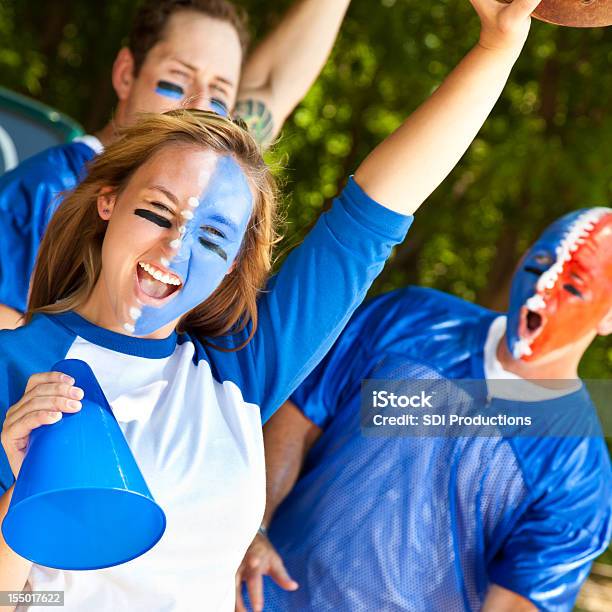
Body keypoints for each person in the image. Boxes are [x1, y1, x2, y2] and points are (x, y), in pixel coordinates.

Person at [0, 0, 543, 608]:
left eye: (211, 237)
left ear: (234, 263)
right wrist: (22, 494)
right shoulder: (14, 367)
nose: (175, 247)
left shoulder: (238, 369)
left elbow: (375, 214)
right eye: (157, 210)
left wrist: (496, 48)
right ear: (108, 201)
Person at [236, 206, 612, 612]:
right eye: (539, 266)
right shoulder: (412, 318)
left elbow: (517, 604)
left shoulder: (580, 474)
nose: (543, 290)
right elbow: (300, 414)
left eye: (572, 287)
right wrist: (250, 533)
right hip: (257, 599)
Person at [0, 0, 353, 329]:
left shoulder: (215, 170)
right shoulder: (41, 191)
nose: (198, 104)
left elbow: (273, 86)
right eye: (177, 79)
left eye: (219, 93)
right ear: (126, 73)